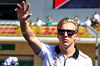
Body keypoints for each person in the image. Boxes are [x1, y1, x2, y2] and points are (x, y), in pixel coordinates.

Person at [15, 1, 93, 66]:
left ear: (76, 36)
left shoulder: (86, 61)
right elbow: (31, 37)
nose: (65, 35)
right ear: (57, 35)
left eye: (70, 32)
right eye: (62, 32)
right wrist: (23, 22)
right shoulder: (48, 52)